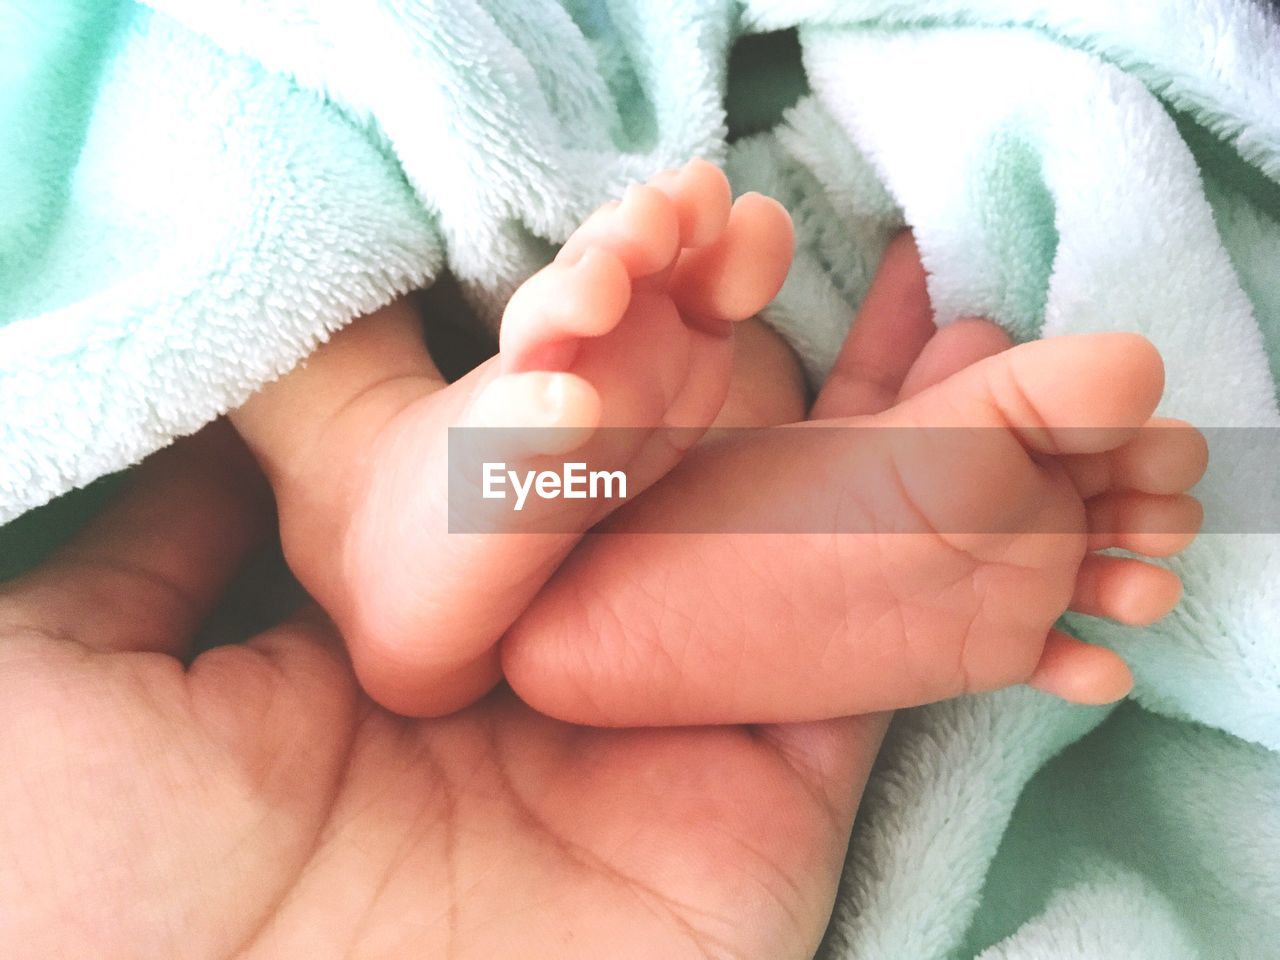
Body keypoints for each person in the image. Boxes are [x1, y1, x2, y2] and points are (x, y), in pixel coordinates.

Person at [0, 162, 1204, 957]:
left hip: (530, 346)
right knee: (190, 150)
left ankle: (413, 479)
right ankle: (399, 479)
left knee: (178, 189)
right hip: (533, 236)